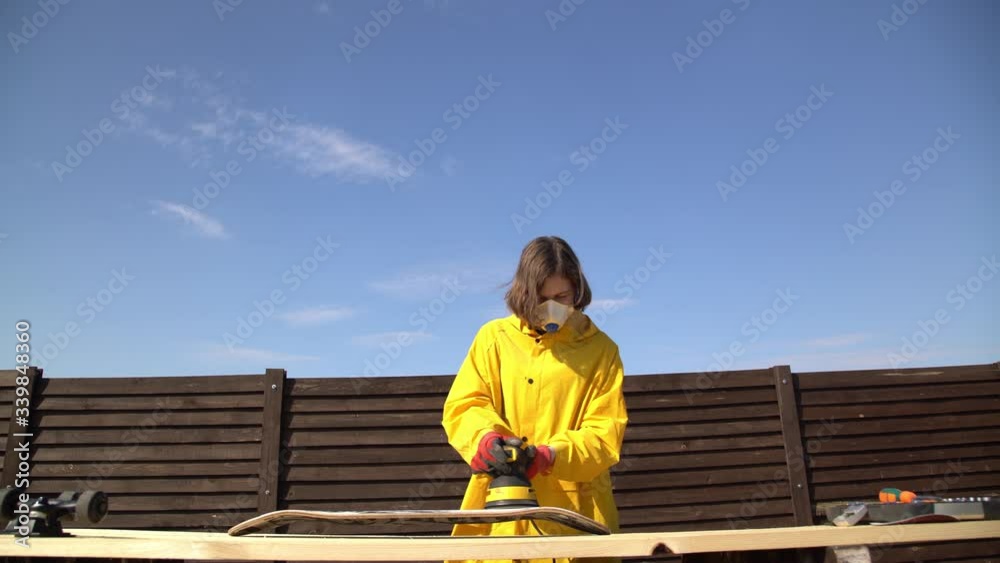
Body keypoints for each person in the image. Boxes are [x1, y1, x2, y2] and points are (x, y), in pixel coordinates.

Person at [441, 236, 628, 563]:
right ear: (523, 293)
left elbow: (604, 433)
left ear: (577, 290)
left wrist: (551, 455)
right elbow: (465, 404)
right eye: (541, 298)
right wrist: (485, 440)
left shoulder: (602, 351)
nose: (551, 306)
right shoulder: (494, 339)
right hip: (502, 506)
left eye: (561, 297)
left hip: (576, 516)